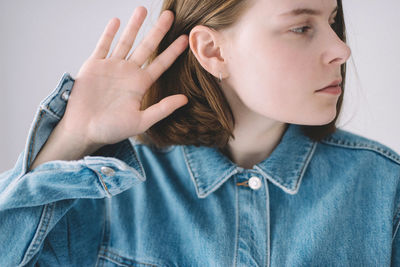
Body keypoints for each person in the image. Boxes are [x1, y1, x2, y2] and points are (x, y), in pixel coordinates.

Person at [1, 0, 399, 266]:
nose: (341, 49)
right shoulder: (105, 194)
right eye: (300, 27)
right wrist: (72, 139)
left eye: (332, 22)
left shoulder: (386, 189)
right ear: (212, 51)